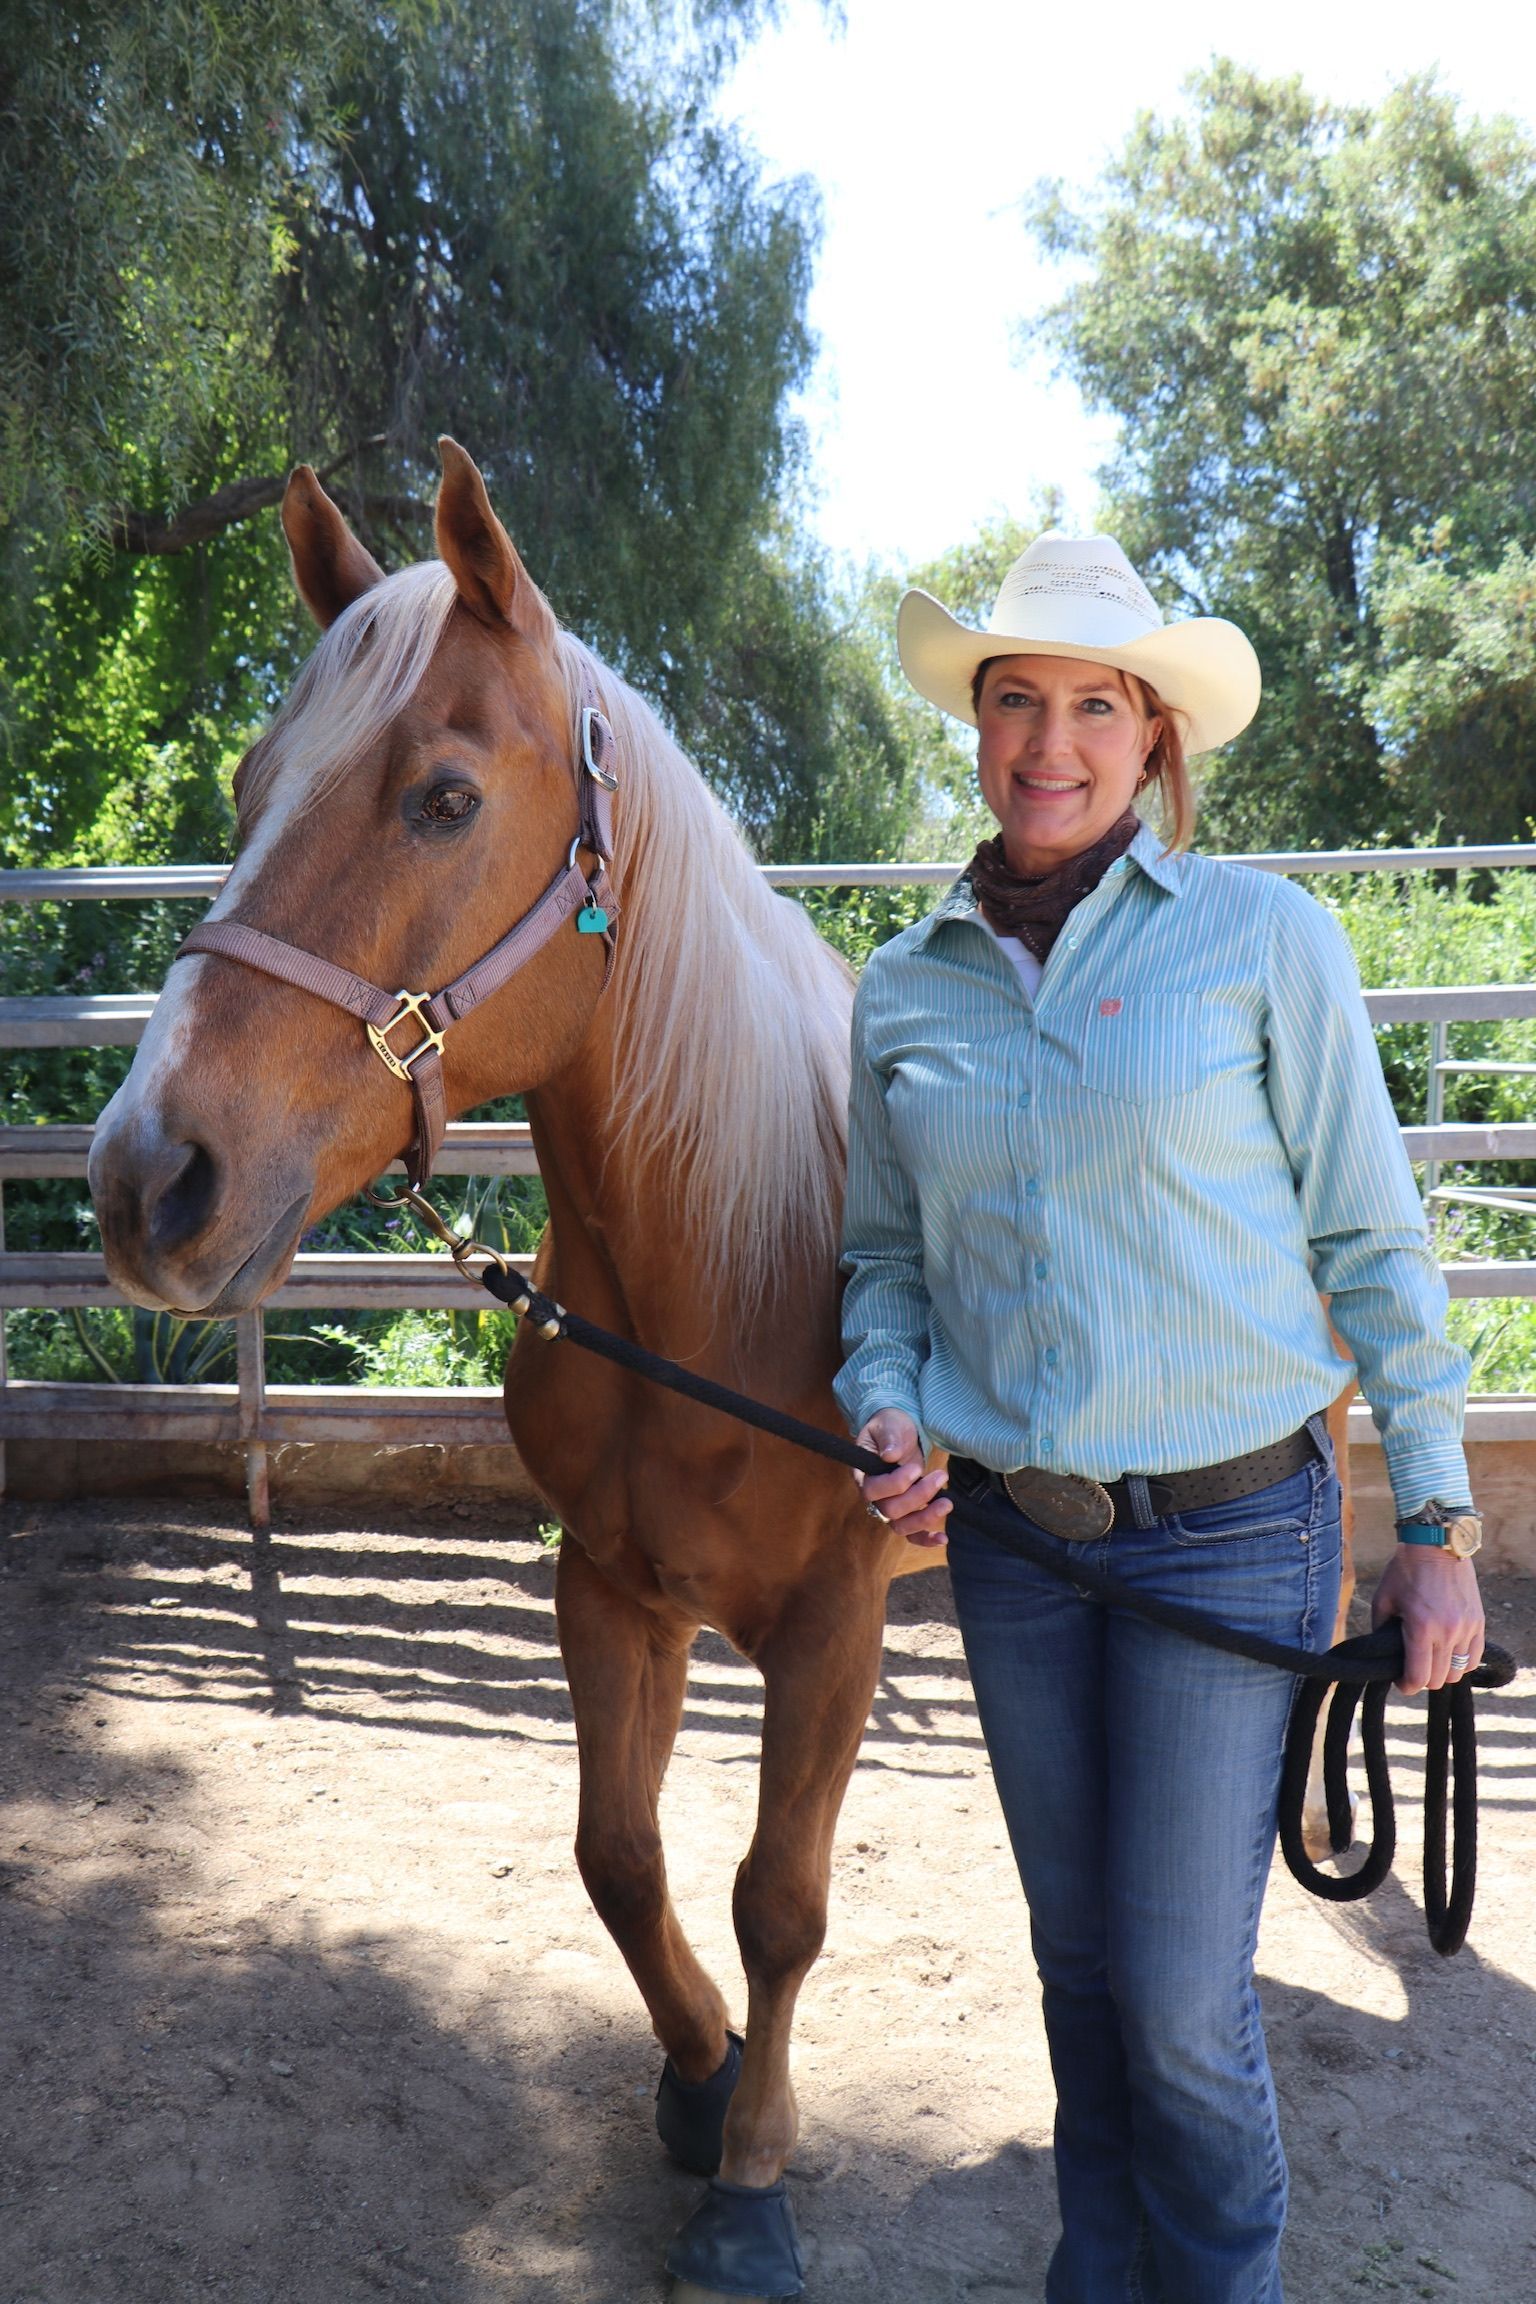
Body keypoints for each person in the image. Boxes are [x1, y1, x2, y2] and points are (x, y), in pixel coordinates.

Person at [835, 533, 1486, 2303]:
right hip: (1020, 1549)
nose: (1051, 742)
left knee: (1189, 2004)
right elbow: (885, 1268)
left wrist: (1433, 1530)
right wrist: (888, 1412)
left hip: (1232, 1529)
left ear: (1154, 741)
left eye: (1094, 706)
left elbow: (1372, 1239)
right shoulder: (901, 991)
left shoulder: (1262, 940)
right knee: (1079, 1972)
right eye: (1017, 702)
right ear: (976, 731)